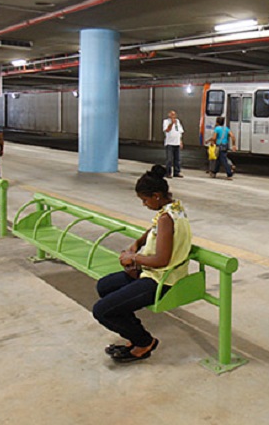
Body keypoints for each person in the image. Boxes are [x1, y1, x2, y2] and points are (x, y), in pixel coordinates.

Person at [93, 164, 192, 363]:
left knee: (101, 310)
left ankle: (144, 342)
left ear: (156, 195)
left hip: (161, 280)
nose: (144, 204)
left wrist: (133, 258)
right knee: (104, 286)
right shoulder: (174, 208)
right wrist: (137, 244)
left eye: (145, 200)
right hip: (152, 273)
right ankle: (134, 334)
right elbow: (153, 230)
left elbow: (161, 260)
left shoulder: (166, 218)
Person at [163, 110, 184, 178]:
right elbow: (167, 130)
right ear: (169, 115)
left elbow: (180, 132)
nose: (173, 116)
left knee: (177, 159)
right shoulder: (166, 121)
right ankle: (168, 173)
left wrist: (180, 141)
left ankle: (176, 172)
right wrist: (172, 123)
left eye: (174, 114)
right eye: (171, 114)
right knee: (169, 159)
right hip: (169, 143)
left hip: (177, 142)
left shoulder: (178, 122)